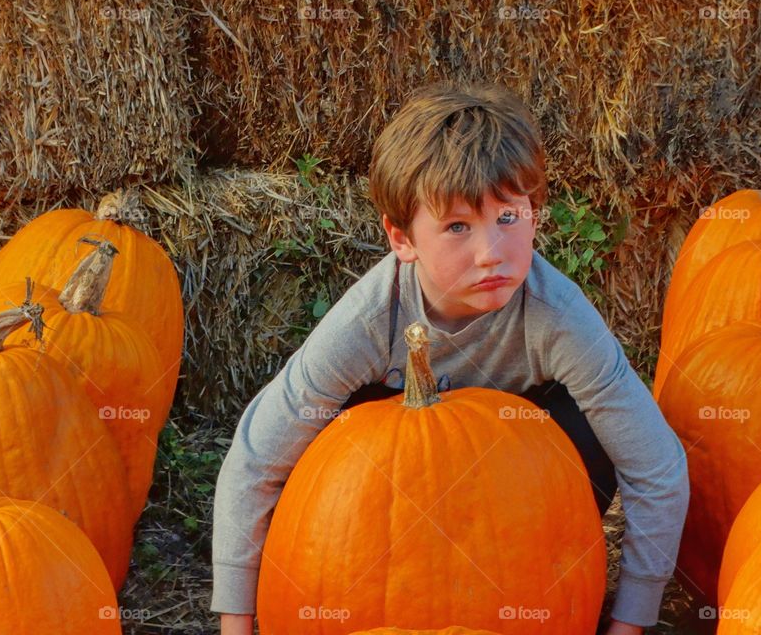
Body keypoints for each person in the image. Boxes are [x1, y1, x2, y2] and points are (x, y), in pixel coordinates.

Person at [212, 82, 689, 635]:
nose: (491, 253)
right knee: (319, 436)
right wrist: (236, 622)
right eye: (458, 227)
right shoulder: (371, 320)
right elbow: (256, 459)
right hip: (382, 506)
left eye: (509, 218)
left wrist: (632, 619)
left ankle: (533, 583)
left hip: (512, 498)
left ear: (536, 213)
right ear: (402, 238)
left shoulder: (556, 315)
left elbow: (654, 466)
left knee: (589, 430)